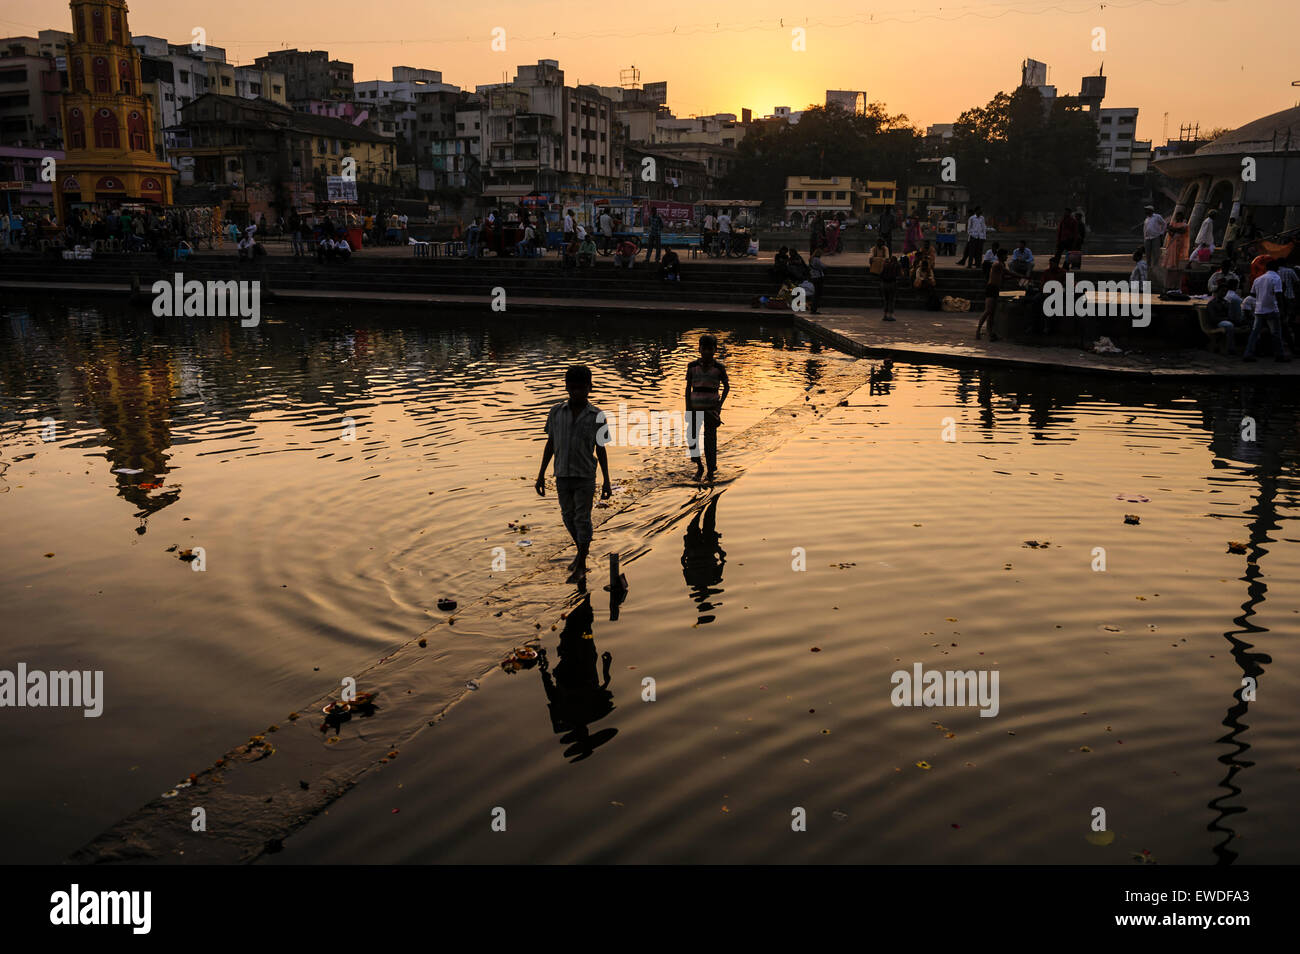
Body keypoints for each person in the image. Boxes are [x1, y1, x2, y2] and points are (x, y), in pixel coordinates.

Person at [536, 365, 612, 584]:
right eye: (573, 388)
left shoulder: (597, 416)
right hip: (562, 474)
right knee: (567, 516)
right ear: (567, 387)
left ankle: (581, 563)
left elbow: (601, 449)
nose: (577, 392)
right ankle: (581, 553)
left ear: (589, 388)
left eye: (582, 388)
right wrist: (541, 475)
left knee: (582, 518)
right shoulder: (556, 412)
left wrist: (607, 481)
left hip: (585, 475)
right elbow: (550, 443)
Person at [685, 335, 730, 481]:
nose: (707, 352)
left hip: (711, 410)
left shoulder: (719, 368)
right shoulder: (692, 367)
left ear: (715, 350)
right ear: (699, 349)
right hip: (694, 408)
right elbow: (687, 389)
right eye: (704, 348)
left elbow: (726, 387)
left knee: (710, 441)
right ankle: (699, 466)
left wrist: (719, 405)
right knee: (691, 437)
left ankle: (710, 470)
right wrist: (688, 408)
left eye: (710, 349)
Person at [1242, 260, 1290, 362]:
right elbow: (1278, 295)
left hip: (1259, 310)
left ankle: (1248, 353)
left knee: (1254, 333)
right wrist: (1282, 310)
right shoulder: (1276, 278)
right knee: (1276, 334)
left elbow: (1253, 295)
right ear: (1276, 268)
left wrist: (1262, 297)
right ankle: (1279, 355)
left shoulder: (1258, 279)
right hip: (1272, 309)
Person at [976, 248, 1009, 341]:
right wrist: (1021, 276)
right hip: (991, 288)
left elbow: (1003, 276)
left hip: (996, 288)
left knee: (992, 313)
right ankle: (978, 331)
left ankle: (991, 333)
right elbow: (1008, 272)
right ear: (1001, 256)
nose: (1007, 257)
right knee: (988, 311)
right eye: (1006, 255)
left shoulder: (1002, 264)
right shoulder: (997, 264)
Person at [1206, 283, 1243, 354]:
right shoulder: (1212, 303)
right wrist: (1227, 319)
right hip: (1217, 323)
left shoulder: (1226, 302)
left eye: (1225, 291)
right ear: (1217, 291)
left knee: (1236, 302)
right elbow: (1213, 318)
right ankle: (1230, 349)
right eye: (1222, 291)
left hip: (1227, 320)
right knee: (1229, 325)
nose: (1224, 293)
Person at [1142, 205, 1167, 275]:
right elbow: (1145, 229)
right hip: (1147, 238)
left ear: (1151, 210)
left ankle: (1155, 266)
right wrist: (1144, 237)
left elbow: (1164, 224)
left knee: (1156, 252)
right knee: (1147, 253)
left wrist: (1161, 232)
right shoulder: (1146, 219)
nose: (1146, 211)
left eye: (1147, 210)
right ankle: (1148, 266)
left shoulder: (1157, 216)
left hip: (1155, 237)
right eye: (1146, 210)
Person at [879, 253, 900, 322]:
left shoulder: (885, 265)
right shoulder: (896, 265)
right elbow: (899, 274)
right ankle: (890, 315)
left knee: (886, 300)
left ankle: (885, 315)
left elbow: (881, 274)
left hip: (884, 284)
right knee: (891, 300)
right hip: (892, 284)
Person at [808, 247, 825, 314]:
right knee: (817, 294)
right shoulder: (816, 260)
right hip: (818, 277)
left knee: (816, 294)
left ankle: (813, 309)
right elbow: (822, 266)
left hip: (814, 277)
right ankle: (814, 309)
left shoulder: (811, 259)